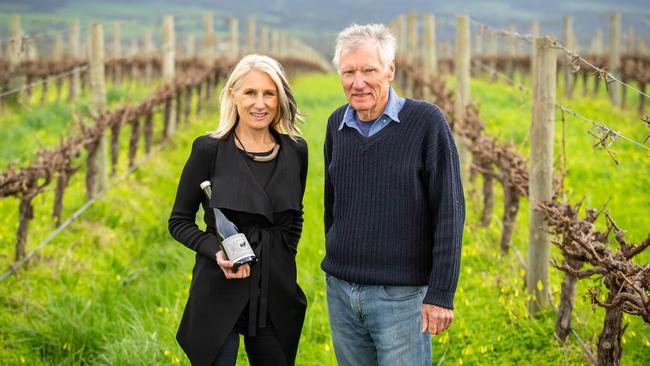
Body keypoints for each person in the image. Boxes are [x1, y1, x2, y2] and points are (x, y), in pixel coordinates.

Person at [322, 24, 465, 365]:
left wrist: (441, 293)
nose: (358, 82)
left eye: (369, 70)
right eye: (349, 72)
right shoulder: (335, 125)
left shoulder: (426, 123)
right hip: (341, 291)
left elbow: (450, 209)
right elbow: (332, 205)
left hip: (400, 297)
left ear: (390, 69)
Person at [169, 54, 308, 366]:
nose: (260, 103)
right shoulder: (209, 149)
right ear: (234, 94)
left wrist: (284, 258)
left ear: (280, 98)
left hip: (275, 289)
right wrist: (215, 251)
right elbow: (179, 221)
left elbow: (294, 215)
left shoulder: (295, 151)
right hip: (220, 285)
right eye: (250, 93)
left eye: (269, 93)